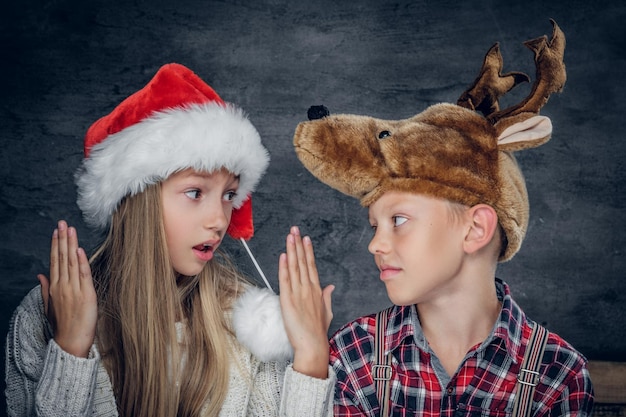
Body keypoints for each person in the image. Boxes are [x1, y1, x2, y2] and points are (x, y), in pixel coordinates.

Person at [291, 21, 594, 416]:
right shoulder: (353, 356)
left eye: (398, 220)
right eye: (374, 225)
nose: (375, 244)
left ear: (476, 229)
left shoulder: (559, 376)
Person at [5, 63, 335, 417]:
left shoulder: (248, 324)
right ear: (138, 199)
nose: (220, 220)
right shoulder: (44, 316)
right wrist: (70, 351)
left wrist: (312, 359)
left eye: (229, 195)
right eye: (195, 192)